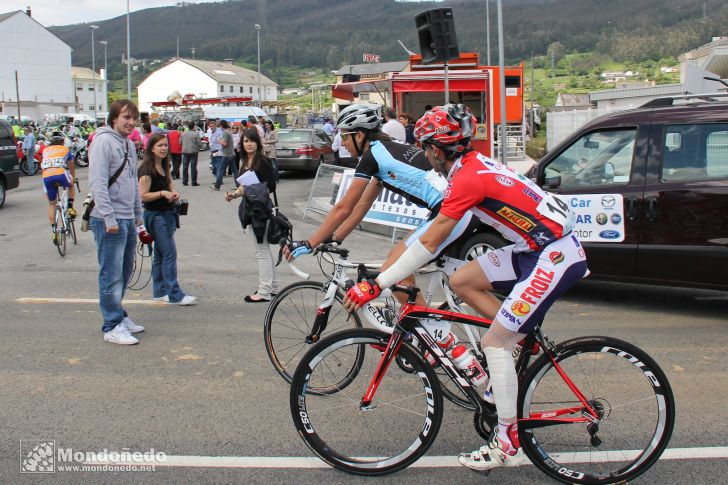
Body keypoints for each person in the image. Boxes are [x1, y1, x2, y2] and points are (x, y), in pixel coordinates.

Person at [343, 104, 589, 471]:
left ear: (438, 151)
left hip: (553, 255)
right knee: (462, 281)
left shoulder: (468, 178)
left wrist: (378, 284)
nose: (425, 154)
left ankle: (506, 442)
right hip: (533, 247)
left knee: (494, 343)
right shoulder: (470, 166)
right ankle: (517, 334)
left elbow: (432, 240)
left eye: (426, 148)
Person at [283, 104, 473, 306]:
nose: (341, 142)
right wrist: (335, 238)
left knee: (393, 273)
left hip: (450, 211)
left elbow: (344, 208)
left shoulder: (371, 157)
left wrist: (309, 243)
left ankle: (429, 330)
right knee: (397, 264)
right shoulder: (387, 148)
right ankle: (416, 325)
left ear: (359, 136)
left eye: (345, 136)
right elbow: (362, 205)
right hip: (454, 207)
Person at [87, 99, 147, 345]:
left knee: (124, 271)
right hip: (107, 219)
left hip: (126, 217)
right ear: (114, 118)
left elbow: (132, 182)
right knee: (111, 274)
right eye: (126, 118)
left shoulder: (128, 145)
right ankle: (111, 324)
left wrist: (138, 215)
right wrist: (109, 217)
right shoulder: (103, 142)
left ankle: (119, 315)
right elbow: (98, 182)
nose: (131, 123)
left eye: (134, 119)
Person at [138, 133, 198, 306]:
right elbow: (142, 196)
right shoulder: (147, 170)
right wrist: (162, 193)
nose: (164, 148)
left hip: (168, 213)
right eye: (160, 146)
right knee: (169, 253)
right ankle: (175, 294)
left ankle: (160, 291)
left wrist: (172, 192)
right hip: (155, 216)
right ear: (151, 148)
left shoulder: (165, 164)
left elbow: (170, 182)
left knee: (160, 254)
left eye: (165, 145)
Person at [224, 127, 279, 302]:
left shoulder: (262, 161)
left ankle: (264, 292)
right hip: (251, 208)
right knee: (264, 249)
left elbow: (271, 186)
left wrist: (247, 190)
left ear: (258, 143)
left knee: (261, 250)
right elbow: (243, 187)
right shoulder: (244, 162)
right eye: (245, 141)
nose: (248, 144)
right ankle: (273, 287)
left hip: (261, 211)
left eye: (252, 141)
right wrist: (233, 194)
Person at [41, 132, 76, 244]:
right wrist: (73, 178)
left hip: (46, 176)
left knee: (52, 204)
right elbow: (71, 166)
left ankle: (54, 231)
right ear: (62, 141)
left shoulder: (45, 150)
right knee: (71, 184)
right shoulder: (65, 149)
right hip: (60, 173)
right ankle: (70, 207)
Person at [210, 120, 238, 191]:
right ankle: (238, 185)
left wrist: (218, 140)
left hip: (227, 154)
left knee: (221, 170)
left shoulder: (225, 133)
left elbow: (225, 143)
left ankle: (217, 186)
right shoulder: (228, 131)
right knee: (235, 171)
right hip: (231, 153)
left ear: (221, 126)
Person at [180, 121, 202, 186]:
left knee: (185, 167)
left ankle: (185, 181)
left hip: (185, 151)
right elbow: (199, 144)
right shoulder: (195, 134)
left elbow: (180, 142)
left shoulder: (183, 133)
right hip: (193, 151)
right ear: (194, 126)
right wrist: (199, 147)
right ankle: (193, 181)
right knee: (193, 167)